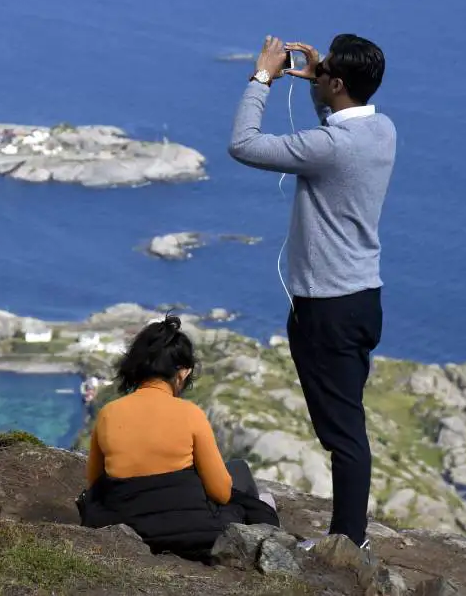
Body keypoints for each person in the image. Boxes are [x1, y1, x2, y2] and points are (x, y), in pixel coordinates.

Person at [227, 34, 396, 549]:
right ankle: (349, 535)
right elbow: (336, 132)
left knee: (343, 434)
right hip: (363, 298)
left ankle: (348, 543)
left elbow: (243, 145)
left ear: (340, 83)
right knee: (345, 426)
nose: (315, 73)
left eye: (323, 72)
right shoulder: (382, 129)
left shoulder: (331, 146)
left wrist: (262, 78)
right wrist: (325, 86)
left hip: (327, 309)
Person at [77, 315, 278, 560]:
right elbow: (222, 492)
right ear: (182, 372)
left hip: (128, 526)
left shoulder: (108, 413)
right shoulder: (190, 414)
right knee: (239, 472)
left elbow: (95, 484)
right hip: (193, 532)